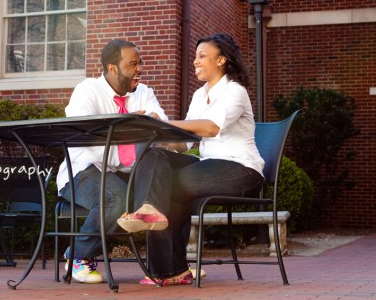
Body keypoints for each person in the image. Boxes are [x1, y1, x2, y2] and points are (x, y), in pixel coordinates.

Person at [117, 33, 265, 285]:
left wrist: (163, 122)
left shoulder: (235, 91)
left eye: (202, 56)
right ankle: (151, 216)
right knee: (153, 154)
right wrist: (154, 132)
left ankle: (168, 269)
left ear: (221, 60)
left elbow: (210, 128)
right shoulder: (199, 95)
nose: (196, 61)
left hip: (241, 170)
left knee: (168, 184)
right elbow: (184, 144)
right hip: (209, 166)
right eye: (195, 56)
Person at [56, 39, 167, 283]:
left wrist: (137, 128)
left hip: (126, 171)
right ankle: (78, 256)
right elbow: (87, 138)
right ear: (112, 68)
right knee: (115, 196)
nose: (139, 69)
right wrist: (126, 127)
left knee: (168, 185)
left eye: (141, 63)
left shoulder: (144, 92)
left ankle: (170, 266)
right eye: (133, 64)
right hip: (83, 171)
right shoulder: (88, 91)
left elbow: (160, 127)